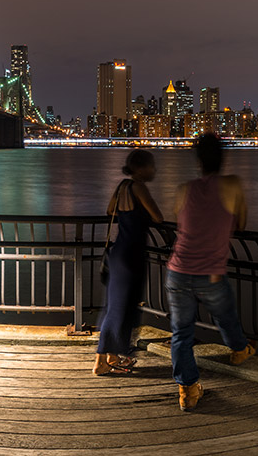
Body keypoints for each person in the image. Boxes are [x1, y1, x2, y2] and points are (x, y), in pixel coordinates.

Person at [166, 133, 256, 411]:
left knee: (181, 334)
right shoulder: (233, 185)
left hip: (178, 271)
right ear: (223, 157)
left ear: (198, 161)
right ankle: (239, 350)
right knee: (226, 316)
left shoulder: (184, 189)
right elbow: (240, 222)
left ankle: (188, 391)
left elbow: (180, 220)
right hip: (211, 273)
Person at [93, 150, 163, 376]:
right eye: (151, 166)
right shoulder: (138, 187)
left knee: (117, 307)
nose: (154, 170)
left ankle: (112, 356)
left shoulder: (121, 187)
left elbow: (110, 210)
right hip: (131, 256)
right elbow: (158, 217)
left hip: (119, 253)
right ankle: (100, 362)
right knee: (118, 310)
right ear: (141, 168)